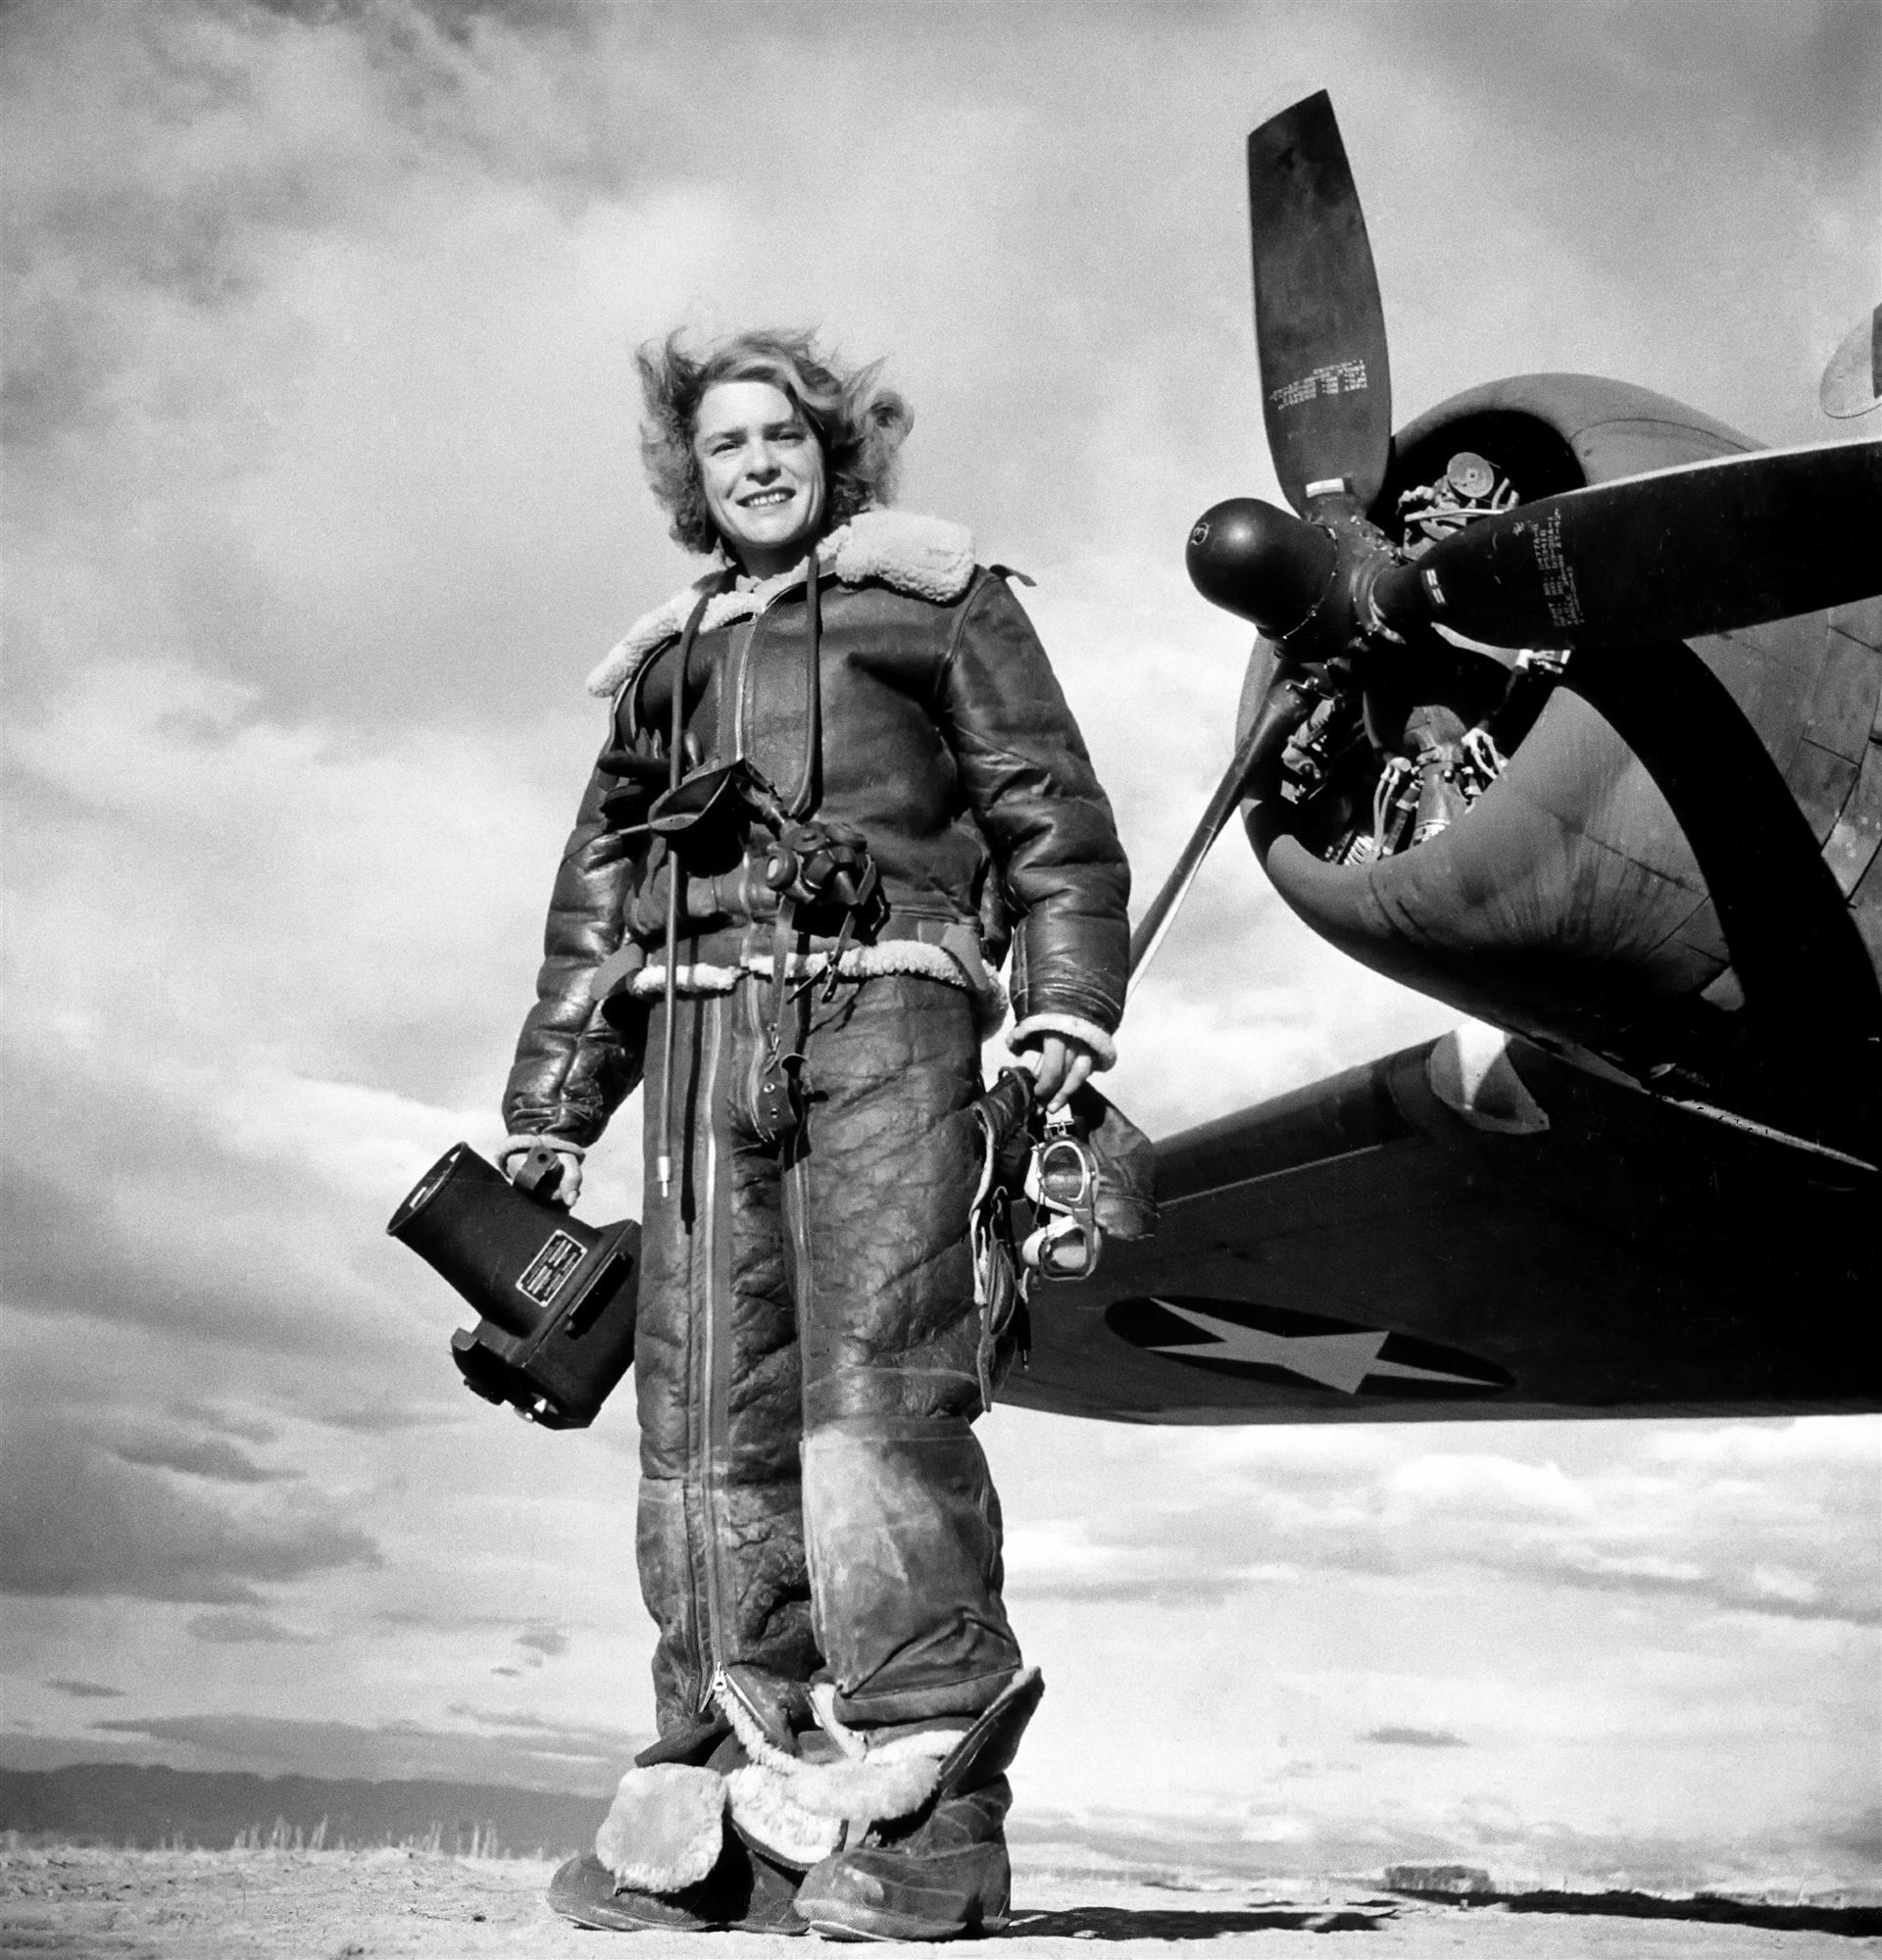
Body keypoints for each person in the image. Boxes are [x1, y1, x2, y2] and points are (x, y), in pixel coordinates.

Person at [500, 328, 1129, 1938]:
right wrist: (549, 1116)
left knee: (878, 1403)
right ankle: (714, 1819)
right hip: (700, 1038)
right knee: (701, 1422)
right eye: (724, 446)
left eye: (782, 434)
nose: (757, 463)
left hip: (891, 1017)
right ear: (690, 477)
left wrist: (1061, 1006)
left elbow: (1048, 812)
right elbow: (597, 904)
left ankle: (932, 1821)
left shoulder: (940, 602)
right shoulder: (659, 668)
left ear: (830, 449)